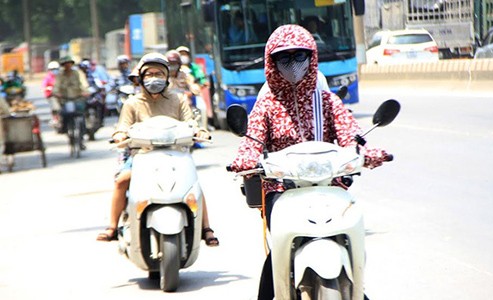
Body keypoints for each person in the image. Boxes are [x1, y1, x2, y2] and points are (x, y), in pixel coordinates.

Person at [229, 24, 390, 299]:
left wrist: (367, 152)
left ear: (311, 57)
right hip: (282, 191)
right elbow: (253, 139)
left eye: (299, 56)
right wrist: (246, 158)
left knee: (352, 239)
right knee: (277, 250)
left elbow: (349, 132)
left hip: (330, 186)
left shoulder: (327, 100)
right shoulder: (266, 104)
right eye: (284, 58)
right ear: (272, 62)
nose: (293, 65)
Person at [96, 52, 219, 247]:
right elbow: (122, 127)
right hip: (141, 155)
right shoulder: (132, 103)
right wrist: (119, 135)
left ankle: (206, 228)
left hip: (175, 154)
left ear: (167, 77)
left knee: (194, 185)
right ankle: (112, 226)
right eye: (150, 74)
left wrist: (200, 131)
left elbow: (191, 123)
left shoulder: (178, 100)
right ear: (142, 78)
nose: (154, 78)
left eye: (159, 74)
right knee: (121, 181)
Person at [52, 56, 89, 148]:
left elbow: (83, 83)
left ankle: (81, 137)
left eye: (69, 63)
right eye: (65, 64)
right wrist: (57, 93)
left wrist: (85, 91)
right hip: (65, 99)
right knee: (65, 115)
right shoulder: (60, 75)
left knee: (81, 116)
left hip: (77, 98)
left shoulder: (78, 73)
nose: (67, 66)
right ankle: (65, 130)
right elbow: (56, 86)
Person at [42, 61, 61, 128]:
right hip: (52, 95)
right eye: (53, 69)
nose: (54, 71)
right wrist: (48, 88)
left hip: (61, 95)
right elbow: (44, 86)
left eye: (56, 69)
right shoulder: (48, 77)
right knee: (55, 107)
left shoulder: (61, 76)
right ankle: (55, 119)